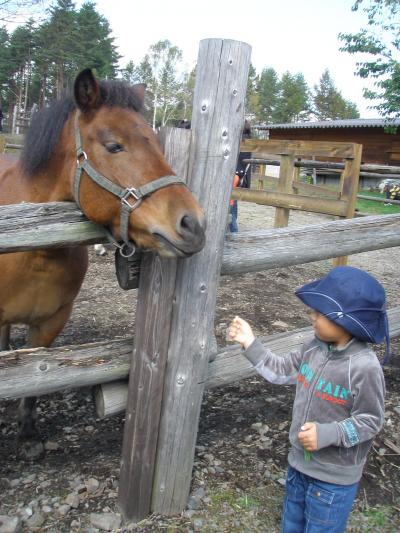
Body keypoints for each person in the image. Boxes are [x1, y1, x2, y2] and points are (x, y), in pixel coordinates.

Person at [227, 266, 388, 533]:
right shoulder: (313, 348)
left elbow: (371, 421)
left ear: (345, 320)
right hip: (298, 465)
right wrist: (249, 342)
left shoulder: (364, 367)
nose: (311, 315)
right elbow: (280, 370)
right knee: (291, 523)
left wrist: (328, 433)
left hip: (333, 481)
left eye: (320, 312)